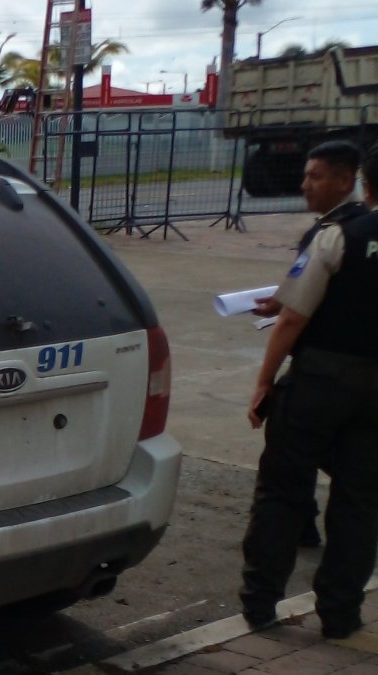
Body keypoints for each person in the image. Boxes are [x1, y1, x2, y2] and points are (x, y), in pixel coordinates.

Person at [239, 173, 378, 639]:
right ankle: (341, 613)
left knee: (282, 489)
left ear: (367, 189)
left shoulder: (339, 236)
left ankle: (260, 603)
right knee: (360, 502)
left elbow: (293, 315)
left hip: (321, 380)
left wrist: (264, 382)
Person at [250, 141, 367, 548]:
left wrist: (264, 382)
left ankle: (292, 534)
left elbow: (294, 318)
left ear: (344, 180)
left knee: (289, 452)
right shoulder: (360, 227)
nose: (305, 185)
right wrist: (281, 300)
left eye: (315, 176)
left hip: (324, 372)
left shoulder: (331, 234)